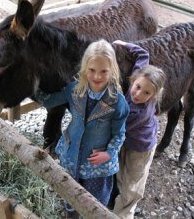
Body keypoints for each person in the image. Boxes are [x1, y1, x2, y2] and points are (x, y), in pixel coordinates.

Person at [35, 39, 130, 218]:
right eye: (92, 70)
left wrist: (109, 153)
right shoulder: (74, 90)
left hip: (96, 161)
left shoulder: (117, 102)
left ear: (112, 71)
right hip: (71, 154)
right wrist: (31, 86)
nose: (97, 76)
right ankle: (71, 215)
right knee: (70, 192)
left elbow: (120, 133)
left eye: (104, 71)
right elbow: (49, 100)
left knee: (93, 201)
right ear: (85, 67)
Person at [112, 40, 166, 219]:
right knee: (120, 173)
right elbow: (143, 55)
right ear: (134, 79)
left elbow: (119, 126)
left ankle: (124, 214)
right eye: (138, 87)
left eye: (147, 93)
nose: (138, 94)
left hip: (141, 147)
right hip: (129, 140)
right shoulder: (139, 77)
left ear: (154, 95)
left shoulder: (139, 112)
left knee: (132, 183)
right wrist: (124, 44)